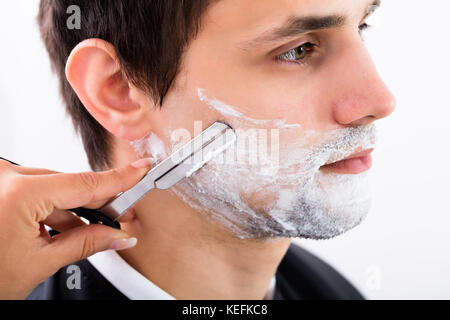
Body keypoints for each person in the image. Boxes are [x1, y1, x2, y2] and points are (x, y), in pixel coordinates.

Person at [4, 0, 396, 300]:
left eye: (362, 25)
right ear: (118, 90)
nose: (379, 100)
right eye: (298, 49)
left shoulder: (330, 290)